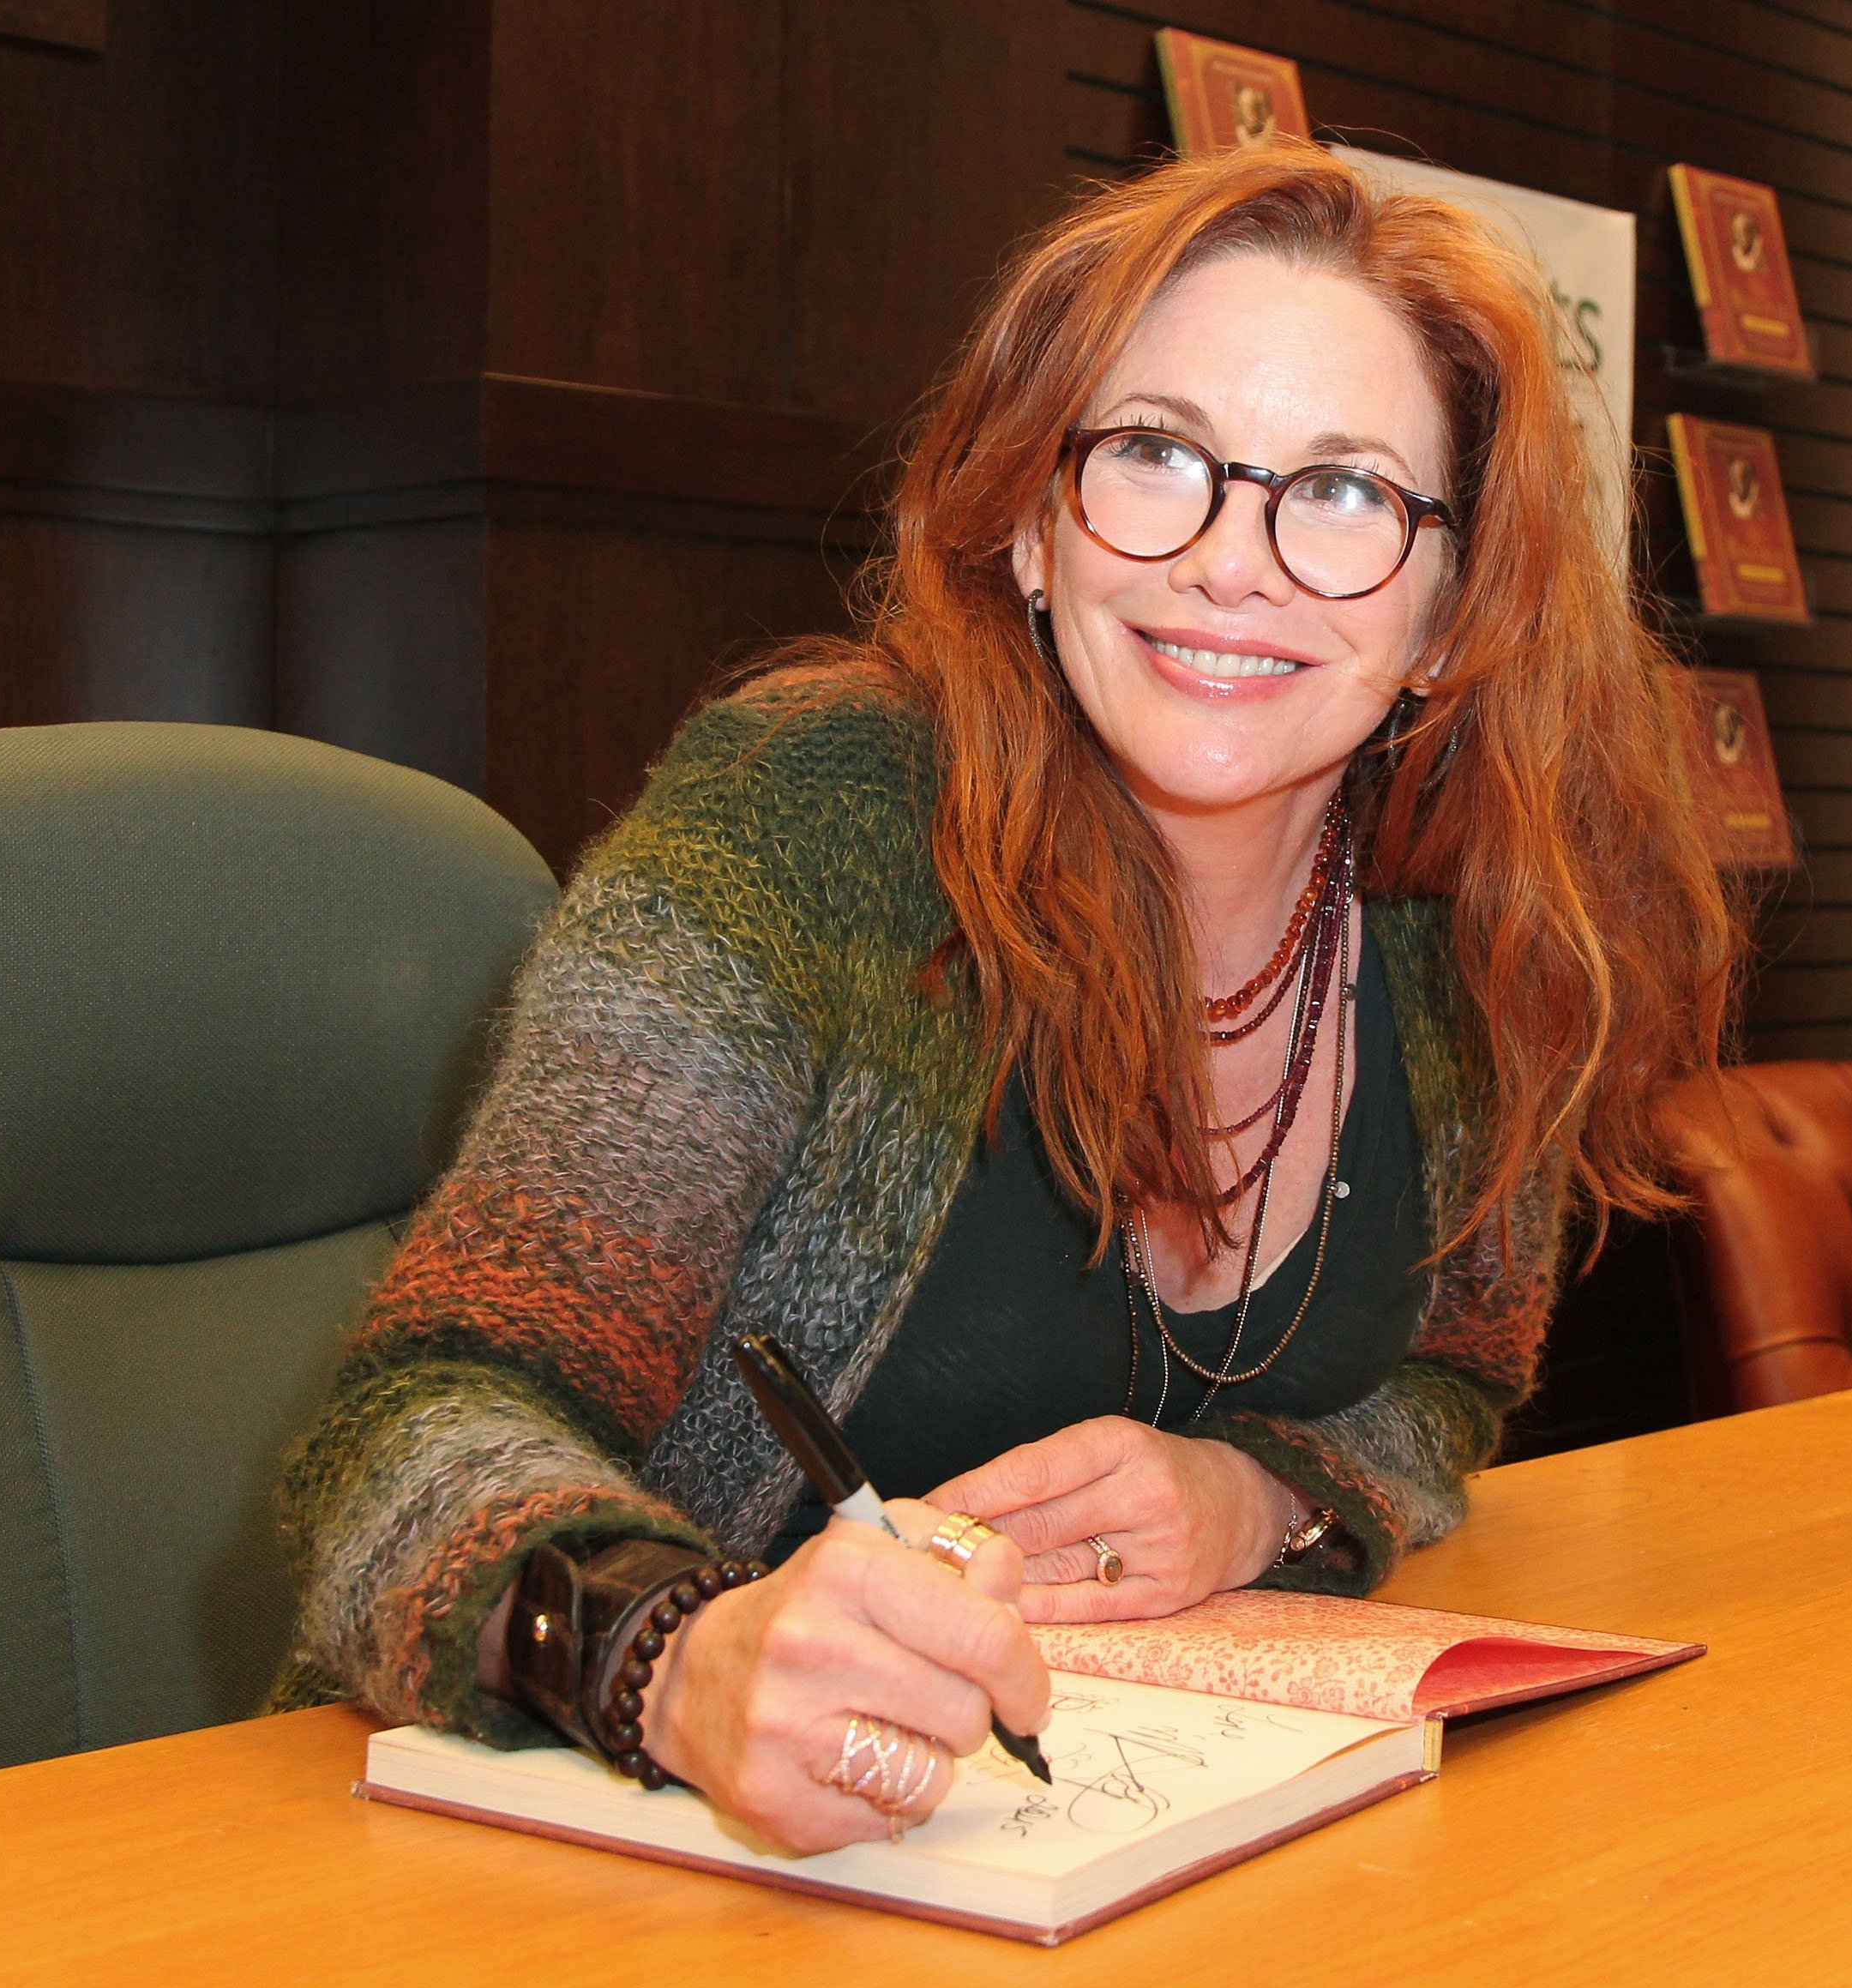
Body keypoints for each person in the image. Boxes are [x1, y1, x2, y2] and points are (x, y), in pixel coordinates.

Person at [273, 138, 1736, 1853]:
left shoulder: (1466, 925)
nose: (1231, 557)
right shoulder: (811, 816)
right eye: (1156, 453)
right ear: (1036, 525)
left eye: (1341, 491)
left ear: (1446, 604)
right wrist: (671, 1647)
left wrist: (1255, 1491)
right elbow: (406, 1422)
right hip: (607, 1857)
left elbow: (1445, 1383)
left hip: (1124, 1863)